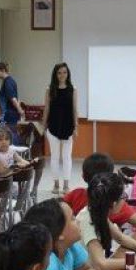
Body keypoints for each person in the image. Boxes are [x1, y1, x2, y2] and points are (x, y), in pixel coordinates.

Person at [22, 199, 108, 270]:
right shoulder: (48, 262)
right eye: (72, 218)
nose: (77, 220)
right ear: (60, 235)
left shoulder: (71, 247)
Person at [76, 173, 136, 270]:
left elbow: (120, 238)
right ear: (114, 203)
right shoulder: (88, 221)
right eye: (124, 196)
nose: (125, 200)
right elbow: (100, 265)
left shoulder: (98, 211)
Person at [63, 153, 136, 229]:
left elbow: (57, 209)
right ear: (111, 178)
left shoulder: (75, 194)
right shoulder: (115, 203)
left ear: (83, 176)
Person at [42, 63, 79, 195]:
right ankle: (56, 184)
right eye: (59, 73)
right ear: (55, 74)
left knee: (67, 157)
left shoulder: (72, 89)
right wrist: (44, 125)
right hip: (53, 126)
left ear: (68, 74)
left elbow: (75, 109)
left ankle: (66, 185)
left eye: (64, 72)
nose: (62, 75)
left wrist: (76, 127)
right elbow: (46, 108)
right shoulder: (50, 89)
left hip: (68, 127)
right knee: (55, 157)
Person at [0, 62, 25, 146]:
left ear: (2, 70)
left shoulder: (8, 82)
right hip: (10, 115)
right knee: (6, 133)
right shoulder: (10, 81)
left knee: (9, 135)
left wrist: (20, 110)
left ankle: (14, 155)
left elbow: (13, 99)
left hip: (9, 115)